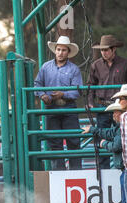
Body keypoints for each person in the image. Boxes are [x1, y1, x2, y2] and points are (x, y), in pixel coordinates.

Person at [87, 35, 127, 169]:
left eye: (106, 50)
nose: (103, 53)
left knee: (123, 138)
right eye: (102, 50)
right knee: (104, 134)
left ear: (114, 49)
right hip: (103, 106)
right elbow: (90, 86)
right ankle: (103, 169)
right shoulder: (96, 65)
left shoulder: (126, 64)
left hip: (121, 108)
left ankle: (124, 166)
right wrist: (90, 102)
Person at [82, 99, 127, 203]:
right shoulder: (120, 127)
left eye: (116, 111)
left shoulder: (123, 127)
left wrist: (103, 144)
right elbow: (109, 133)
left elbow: (116, 145)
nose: (113, 114)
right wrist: (94, 130)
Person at [34, 36, 83, 170]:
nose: (60, 53)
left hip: (69, 108)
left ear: (68, 52)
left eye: (63, 50)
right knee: (54, 142)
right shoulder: (45, 67)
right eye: (58, 49)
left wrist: (64, 94)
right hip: (51, 108)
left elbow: (78, 91)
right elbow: (37, 84)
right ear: (55, 51)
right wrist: (43, 95)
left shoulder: (74, 69)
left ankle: (76, 172)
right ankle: (59, 174)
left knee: (73, 141)